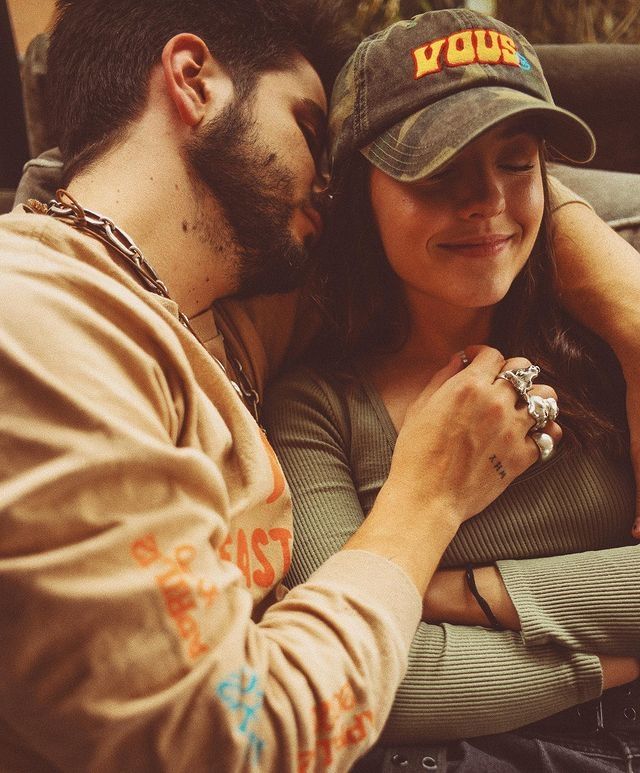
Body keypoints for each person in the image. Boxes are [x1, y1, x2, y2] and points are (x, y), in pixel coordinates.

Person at [0, 1, 573, 770]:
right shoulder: (34, 319)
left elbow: (506, 216)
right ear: (194, 80)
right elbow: (226, 746)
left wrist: (632, 325)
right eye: (306, 128)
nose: (327, 184)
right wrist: (428, 498)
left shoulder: (224, 307)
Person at [263, 9, 640, 772]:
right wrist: (608, 662)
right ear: (357, 193)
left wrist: (464, 591)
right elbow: (376, 682)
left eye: (516, 161)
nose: (487, 200)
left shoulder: (609, 348)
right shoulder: (313, 406)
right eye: (437, 172)